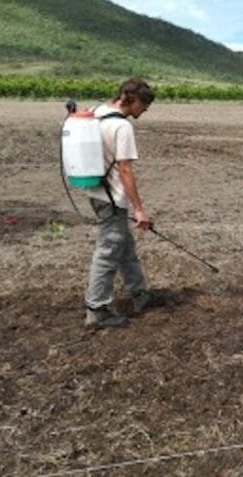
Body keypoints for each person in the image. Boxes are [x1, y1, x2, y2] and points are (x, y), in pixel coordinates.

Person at [84, 77, 160, 329]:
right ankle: (97, 310)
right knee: (108, 252)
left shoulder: (96, 112)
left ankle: (139, 294)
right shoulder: (122, 127)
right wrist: (139, 209)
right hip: (112, 198)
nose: (145, 110)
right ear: (132, 100)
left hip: (95, 192)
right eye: (144, 105)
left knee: (124, 245)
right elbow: (125, 169)